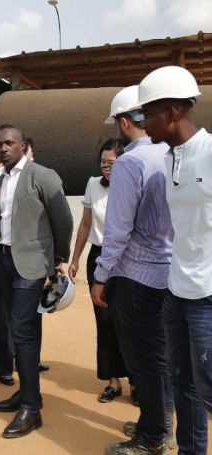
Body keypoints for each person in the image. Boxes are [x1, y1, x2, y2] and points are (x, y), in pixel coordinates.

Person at [90, 85, 175, 455]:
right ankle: (160, 424)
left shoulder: (129, 162)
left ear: (125, 122)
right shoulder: (170, 154)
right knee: (162, 355)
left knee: (144, 359)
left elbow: (118, 229)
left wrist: (101, 275)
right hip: (172, 274)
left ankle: (152, 438)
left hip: (137, 277)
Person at [138, 66, 212, 455]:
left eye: (147, 114)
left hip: (208, 296)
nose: (142, 123)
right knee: (182, 385)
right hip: (177, 291)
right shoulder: (169, 160)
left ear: (171, 112)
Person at [0, 125, 73, 438]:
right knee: (16, 329)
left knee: (23, 332)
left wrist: (57, 260)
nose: (3, 149)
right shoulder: (1, 180)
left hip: (31, 266)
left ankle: (31, 409)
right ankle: (26, 393)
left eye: (9, 143)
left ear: (23, 145)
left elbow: (63, 220)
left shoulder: (42, 175)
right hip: (5, 262)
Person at [67, 139, 128, 403]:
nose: (106, 168)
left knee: (130, 321)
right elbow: (85, 224)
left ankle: (137, 379)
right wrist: (75, 258)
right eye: (103, 163)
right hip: (99, 255)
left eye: (111, 163)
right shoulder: (93, 184)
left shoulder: (132, 184)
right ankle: (113, 381)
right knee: (104, 321)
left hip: (129, 259)